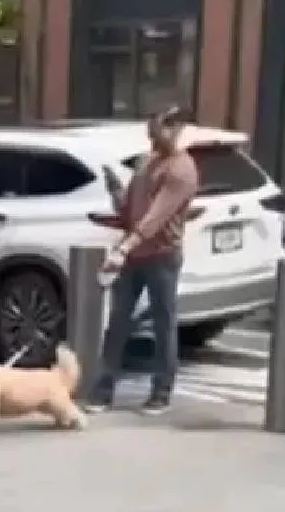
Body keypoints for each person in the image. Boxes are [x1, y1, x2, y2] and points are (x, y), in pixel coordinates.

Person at [84, 106, 199, 416]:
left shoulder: (182, 170)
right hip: (134, 254)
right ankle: (103, 390)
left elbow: (156, 217)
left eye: (158, 131)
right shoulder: (148, 162)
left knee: (163, 324)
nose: (152, 139)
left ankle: (161, 392)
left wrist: (123, 249)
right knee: (118, 321)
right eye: (149, 131)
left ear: (177, 129)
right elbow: (132, 210)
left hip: (162, 255)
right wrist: (115, 199)